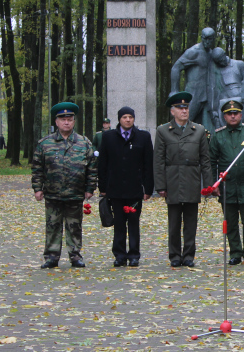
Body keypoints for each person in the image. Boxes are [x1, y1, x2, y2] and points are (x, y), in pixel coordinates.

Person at [31, 102, 96, 269]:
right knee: (52, 226)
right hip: (53, 193)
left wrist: (90, 189)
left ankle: (75, 255)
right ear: (56, 122)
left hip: (75, 193)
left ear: (74, 121)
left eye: (69, 119)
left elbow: (92, 168)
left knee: (74, 226)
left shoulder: (84, 143)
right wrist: (37, 189)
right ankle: (51, 257)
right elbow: (37, 168)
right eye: (63, 119)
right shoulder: (45, 143)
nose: (66, 122)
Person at [154, 91, 213, 268]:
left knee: (190, 222)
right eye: (180, 108)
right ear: (172, 111)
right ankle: (174, 255)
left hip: (191, 180)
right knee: (173, 223)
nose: (184, 111)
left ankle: (188, 255)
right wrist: (160, 185)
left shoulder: (199, 130)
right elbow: (158, 160)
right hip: (172, 181)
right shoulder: (163, 131)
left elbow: (205, 160)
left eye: (186, 108)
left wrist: (208, 185)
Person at [209, 99, 244, 265]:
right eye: (229, 114)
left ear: (241, 114)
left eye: (236, 113)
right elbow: (211, 161)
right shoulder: (218, 135)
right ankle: (235, 253)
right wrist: (214, 183)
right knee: (230, 222)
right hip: (227, 186)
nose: (233, 116)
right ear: (224, 117)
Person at [97, 107, 154, 267]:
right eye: (124, 117)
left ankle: (134, 255)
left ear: (134, 119)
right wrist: (102, 187)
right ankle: (120, 255)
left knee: (134, 223)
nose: (128, 120)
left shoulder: (143, 137)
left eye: (130, 117)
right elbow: (103, 164)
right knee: (119, 224)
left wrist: (148, 189)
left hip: (135, 190)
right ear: (119, 119)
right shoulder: (108, 137)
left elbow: (148, 165)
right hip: (115, 190)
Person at [170, 28, 219, 132]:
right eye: (205, 39)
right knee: (184, 122)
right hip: (193, 94)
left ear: (213, 39)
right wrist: (174, 90)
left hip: (207, 96)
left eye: (210, 39)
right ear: (201, 38)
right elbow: (176, 67)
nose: (207, 42)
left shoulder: (211, 53)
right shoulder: (193, 52)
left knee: (207, 128)